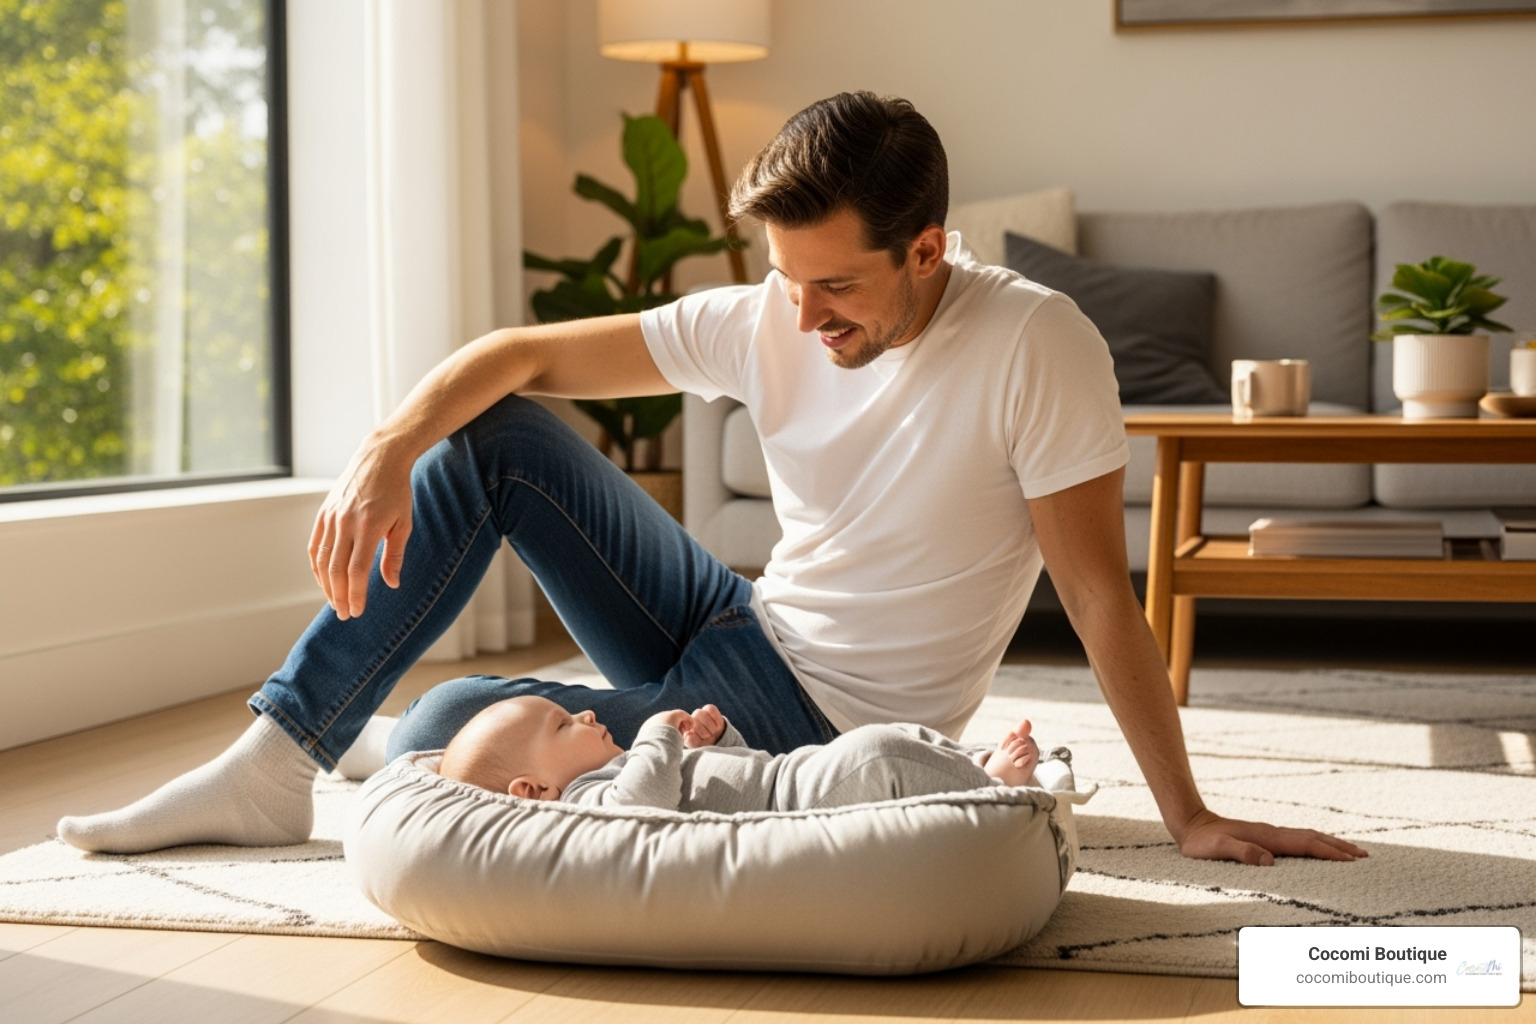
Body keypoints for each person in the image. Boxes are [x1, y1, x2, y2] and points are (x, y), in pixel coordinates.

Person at [57, 91, 1365, 866]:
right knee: (493, 447)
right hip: (738, 620)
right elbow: (515, 355)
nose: (802, 321)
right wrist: (385, 447)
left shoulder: (1035, 345)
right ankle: (278, 756)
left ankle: (318, 755)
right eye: (787, 283)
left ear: (930, 249)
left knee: (430, 733)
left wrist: (1185, 814)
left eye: (837, 288)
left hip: (815, 715)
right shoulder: (771, 311)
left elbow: (1097, 598)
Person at [436, 695, 1041, 811]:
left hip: (784, 772)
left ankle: (973, 764)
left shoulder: (610, 769)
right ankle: (994, 790)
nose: (590, 716)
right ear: (533, 788)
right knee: (880, 757)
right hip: (796, 799)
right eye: (565, 724)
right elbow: (641, 804)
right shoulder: (587, 799)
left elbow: (737, 773)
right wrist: (657, 734)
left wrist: (719, 742)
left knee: (889, 742)